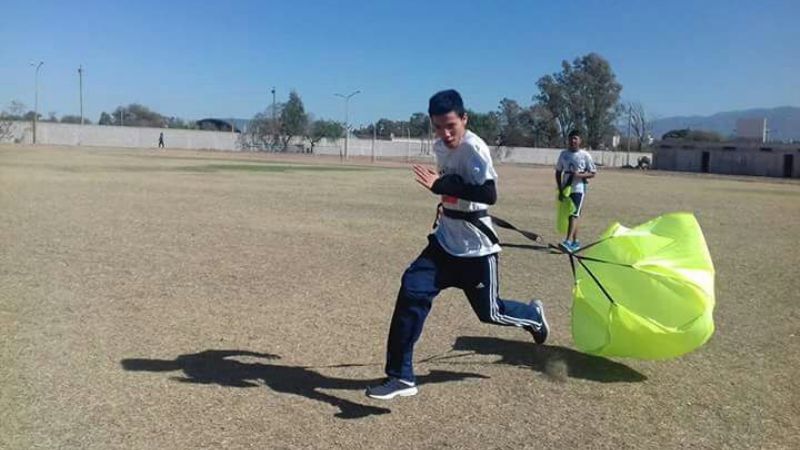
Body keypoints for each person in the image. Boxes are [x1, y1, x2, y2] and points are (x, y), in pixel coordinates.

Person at [366, 89, 549, 400]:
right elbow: (454, 189)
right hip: (444, 243)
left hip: (476, 250)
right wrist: (444, 194)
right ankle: (401, 377)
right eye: (438, 126)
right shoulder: (441, 146)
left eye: (451, 125)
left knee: (490, 312)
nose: (445, 133)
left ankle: (532, 316)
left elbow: (489, 195)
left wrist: (440, 184)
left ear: (464, 119)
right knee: (411, 289)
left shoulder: (474, 148)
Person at [555, 130, 597, 252]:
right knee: (571, 215)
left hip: (579, 188)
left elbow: (593, 173)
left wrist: (579, 175)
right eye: (571, 138)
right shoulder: (563, 154)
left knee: (574, 214)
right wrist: (560, 188)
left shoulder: (585, 155)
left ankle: (567, 241)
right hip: (566, 188)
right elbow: (558, 172)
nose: (573, 141)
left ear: (580, 140)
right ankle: (575, 242)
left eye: (575, 138)